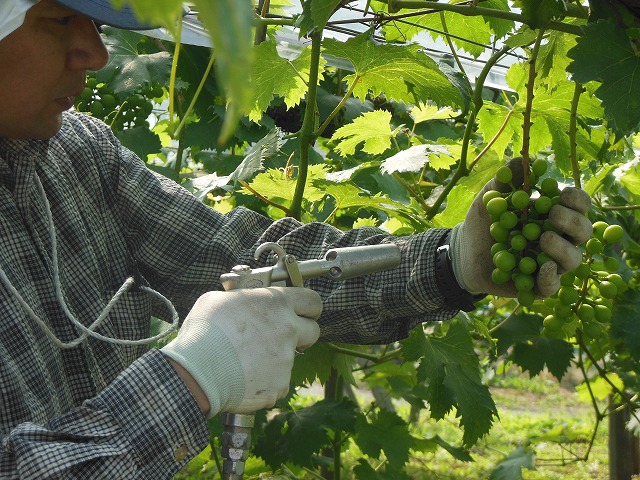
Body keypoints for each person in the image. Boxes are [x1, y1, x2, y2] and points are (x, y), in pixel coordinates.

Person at [0, 0, 594, 478]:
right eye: (57, 20)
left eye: (95, 23)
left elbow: (246, 262)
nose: (96, 53)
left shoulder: (77, 154)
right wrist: (191, 379)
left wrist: (450, 263)